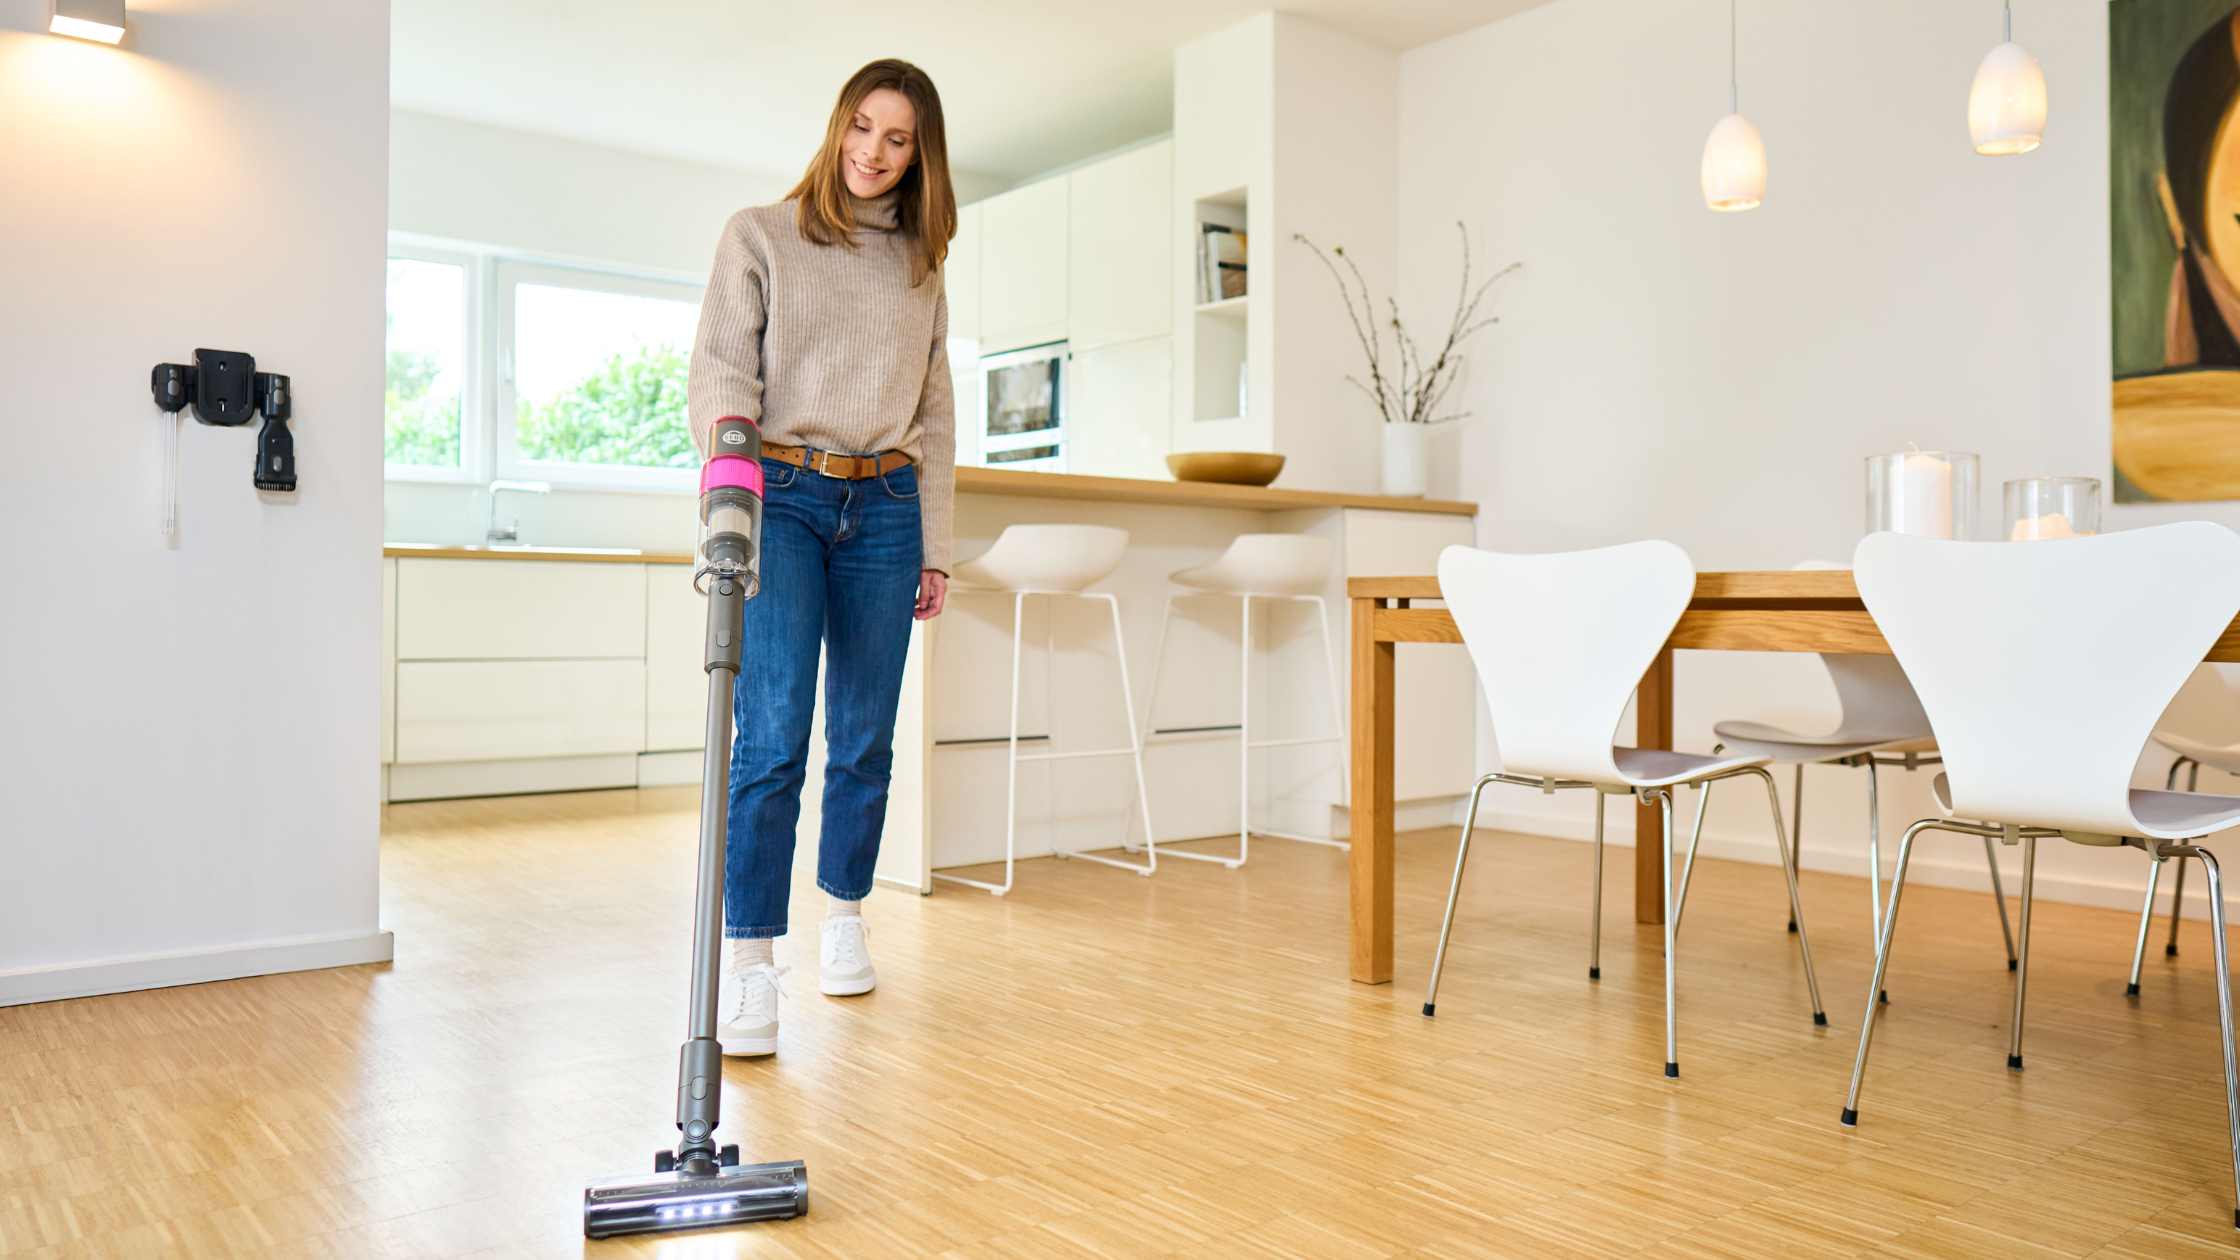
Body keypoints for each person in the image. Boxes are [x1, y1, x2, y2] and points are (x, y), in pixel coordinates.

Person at [686, 58, 956, 1056]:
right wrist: (730, 490)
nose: (873, 153)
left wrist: (935, 541)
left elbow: (934, 407)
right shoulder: (760, 235)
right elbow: (721, 368)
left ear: (920, 156)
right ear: (836, 125)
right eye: (862, 127)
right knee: (772, 735)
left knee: (865, 736)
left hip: (886, 501)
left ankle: (843, 916)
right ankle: (751, 964)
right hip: (784, 496)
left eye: (897, 139)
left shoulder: (921, 266)